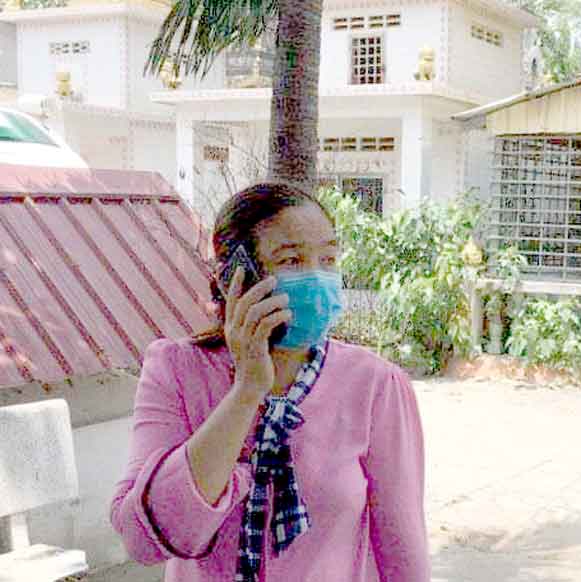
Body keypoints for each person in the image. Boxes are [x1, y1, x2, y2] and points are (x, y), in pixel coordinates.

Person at [110, 183, 430, 581]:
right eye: (291, 260)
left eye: (328, 259)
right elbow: (143, 541)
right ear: (234, 278)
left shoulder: (375, 384)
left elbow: (403, 554)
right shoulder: (175, 369)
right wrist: (246, 392)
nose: (317, 278)